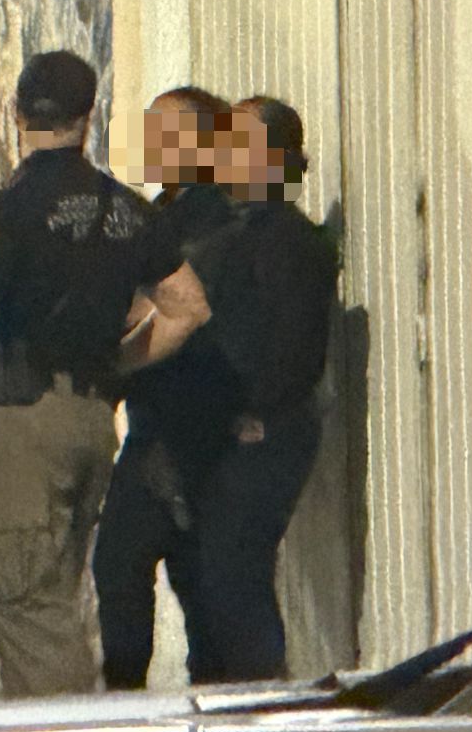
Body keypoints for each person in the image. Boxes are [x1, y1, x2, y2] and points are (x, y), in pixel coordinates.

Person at [0, 51, 212, 697]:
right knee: (60, 589)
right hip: (91, 420)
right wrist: (118, 362)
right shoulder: (126, 209)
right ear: (89, 115)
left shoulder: (7, 211)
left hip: (22, 421)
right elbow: (188, 308)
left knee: (31, 607)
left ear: (17, 114)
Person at [122, 96, 337, 683]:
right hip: (216, 434)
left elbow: (291, 352)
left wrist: (248, 411)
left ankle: (261, 708)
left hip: (259, 436)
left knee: (232, 580)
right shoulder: (224, 229)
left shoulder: (289, 240)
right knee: (203, 583)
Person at [94, 87, 243, 689]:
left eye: (166, 131)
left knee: (123, 564)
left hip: (179, 426)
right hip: (170, 422)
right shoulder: (164, 214)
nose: (151, 142)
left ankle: (130, 701)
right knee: (190, 577)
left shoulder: (203, 224)